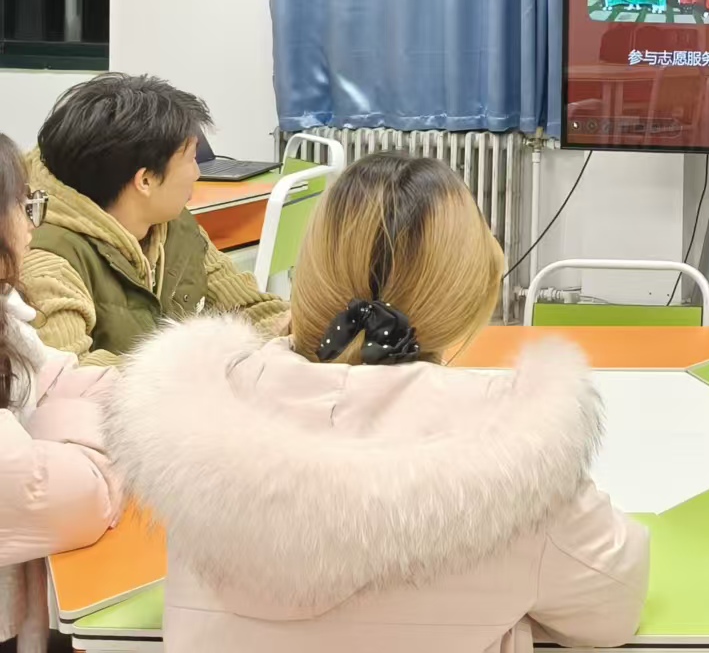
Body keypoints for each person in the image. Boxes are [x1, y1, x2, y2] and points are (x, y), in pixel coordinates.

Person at [103, 152, 648, 653]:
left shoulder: (200, 426)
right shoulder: (518, 464)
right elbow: (611, 610)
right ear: (469, 288)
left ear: (308, 272)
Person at [19, 75, 288, 366]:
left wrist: (299, 329)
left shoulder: (171, 223)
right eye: (191, 159)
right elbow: (70, 376)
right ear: (145, 181)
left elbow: (249, 308)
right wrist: (204, 368)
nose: (197, 173)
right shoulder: (47, 263)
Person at [0, 133, 122, 653]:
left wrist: (147, 395)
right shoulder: (59, 261)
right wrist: (110, 450)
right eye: (22, 205)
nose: (32, 223)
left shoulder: (6, 309)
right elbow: (66, 495)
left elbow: (52, 375)